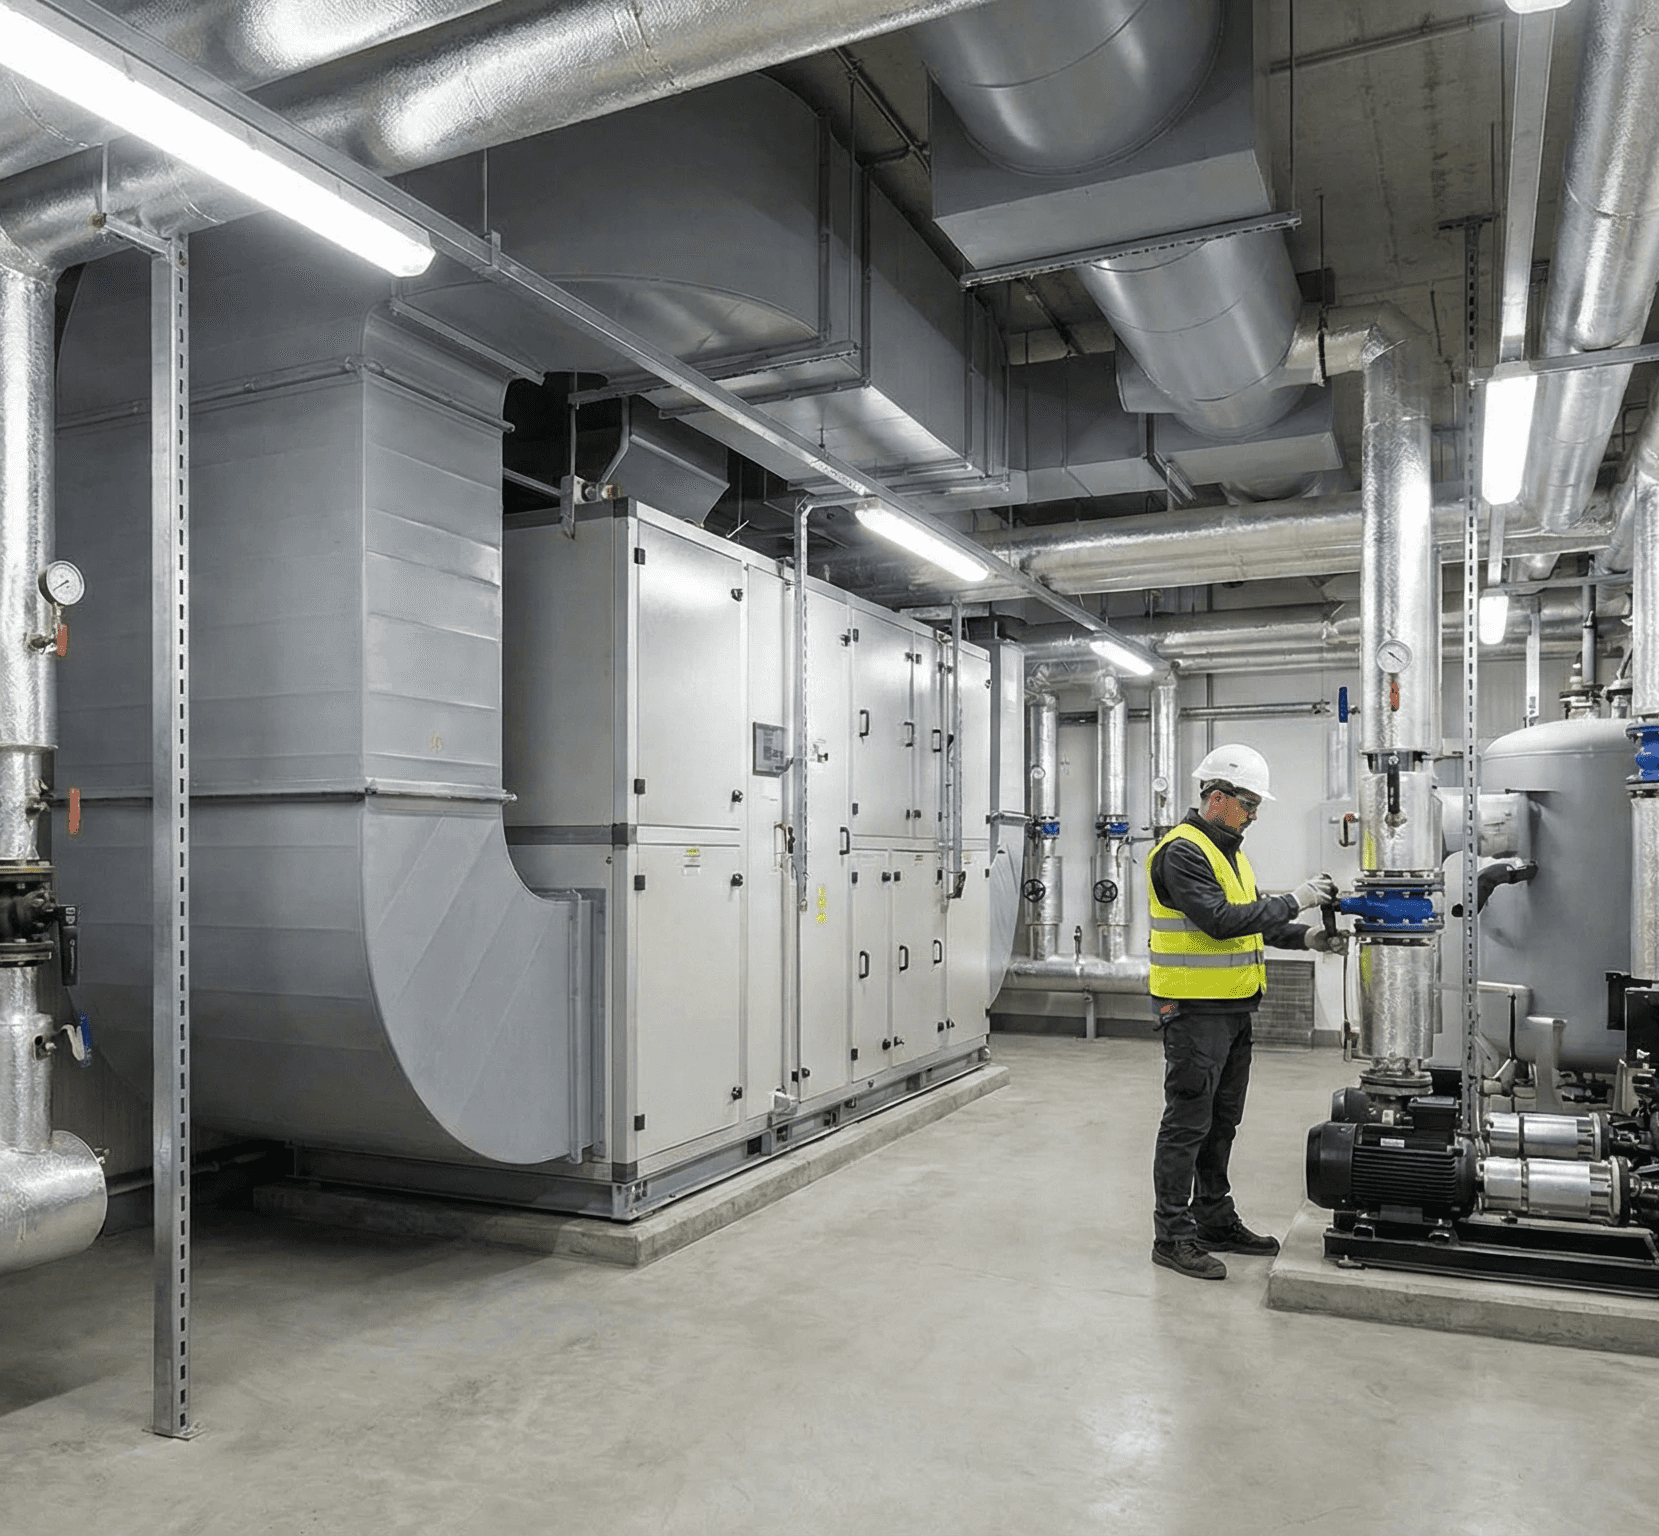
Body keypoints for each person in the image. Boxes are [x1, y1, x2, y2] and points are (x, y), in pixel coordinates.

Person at [1146, 743, 1348, 1282]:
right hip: (1194, 1011)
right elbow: (1218, 919)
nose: (1255, 814)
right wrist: (1297, 899)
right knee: (1187, 1123)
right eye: (1249, 803)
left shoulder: (1229, 851)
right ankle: (1172, 1236)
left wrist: (1307, 937)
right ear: (1217, 796)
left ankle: (1213, 1219)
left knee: (1221, 1123)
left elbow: (1250, 919)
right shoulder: (1182, 851)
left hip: (1233, 1008)